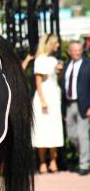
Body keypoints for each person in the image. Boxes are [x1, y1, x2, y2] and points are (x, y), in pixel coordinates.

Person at [31, 34, 64, 174]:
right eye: (56, 43)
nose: (58, 46)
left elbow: (56, 79)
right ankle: (43, 162)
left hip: (54, 96)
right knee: (42, 129)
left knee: (54, 128)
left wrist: (59, 72)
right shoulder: (40, 60)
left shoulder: (53, 59)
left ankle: (53, 161)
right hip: (43, 97)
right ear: (50, 44)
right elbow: (38, 82)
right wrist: (43, 100)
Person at [62, 41, 90, 176]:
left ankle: (84, 165)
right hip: (69, 104)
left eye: (79, 50)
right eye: (74, 50)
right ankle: (85, 156)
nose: (77, 52)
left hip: (84, 105)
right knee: (72, 136)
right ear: (69, 51)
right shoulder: (67, 65)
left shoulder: (88, 64)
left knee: (82, 135)